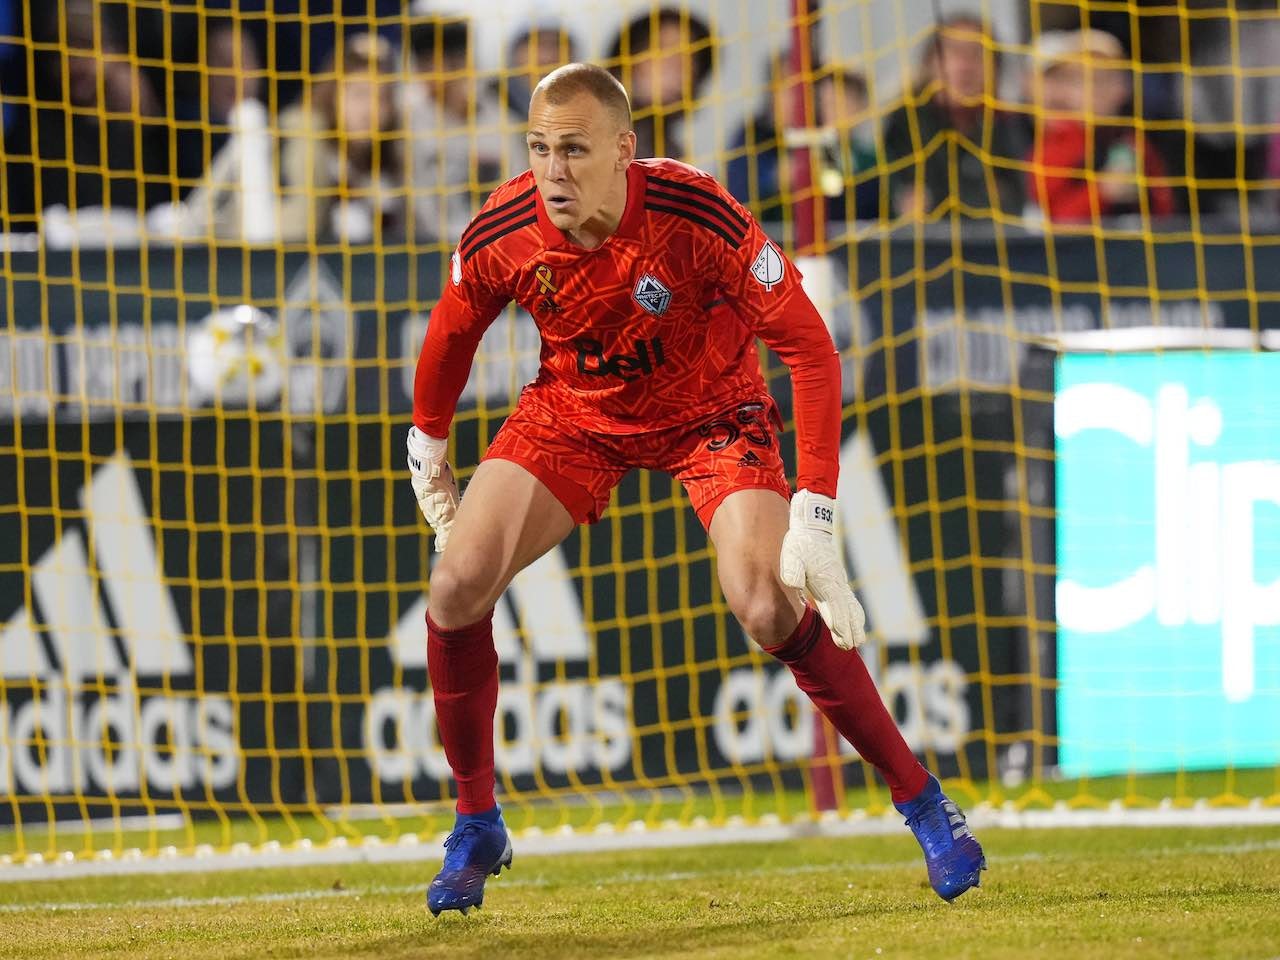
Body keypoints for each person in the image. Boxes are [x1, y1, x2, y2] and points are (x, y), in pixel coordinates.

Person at [405, 62, 987, 916]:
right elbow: (452, 335)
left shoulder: (695, 211)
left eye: (573, 149)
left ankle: (923, 801)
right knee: (455, 587)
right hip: (574, 414)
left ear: (623, 150)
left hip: (712, 414)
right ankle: (476, 821)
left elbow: (811, 352)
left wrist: (816, 513)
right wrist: (428, 443)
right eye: (538, 150)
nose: (553, 171)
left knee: (763, 602)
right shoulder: (504, 225)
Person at [882, 13, 1025, 219]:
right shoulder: (904, 125)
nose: (966, 66)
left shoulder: (1012, 126)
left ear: (997, 68)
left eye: (977, 53)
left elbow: (1017, 201)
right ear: (929, 64)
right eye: (954, 52)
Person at [1024, 29, 1174, 222]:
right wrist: (1103, 191)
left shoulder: (1136, 142)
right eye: (1082, 80)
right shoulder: (1054, 147)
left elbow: (1166, 212)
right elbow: (1055, 221)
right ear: (1066, 90)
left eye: (1104, 79)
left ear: (1123, 88)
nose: (1094, 90)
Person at [407, 15, 508, 242]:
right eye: (429, 64)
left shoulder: (500, 120)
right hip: (426, 250)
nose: (441, 75)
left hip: (493, 249)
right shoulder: (407, 124)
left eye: (453, 63)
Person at [607, 7, 714, 160]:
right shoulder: (582, 121)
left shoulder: (669, 154)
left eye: (691, 58)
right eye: (663, 48)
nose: (678, 67)